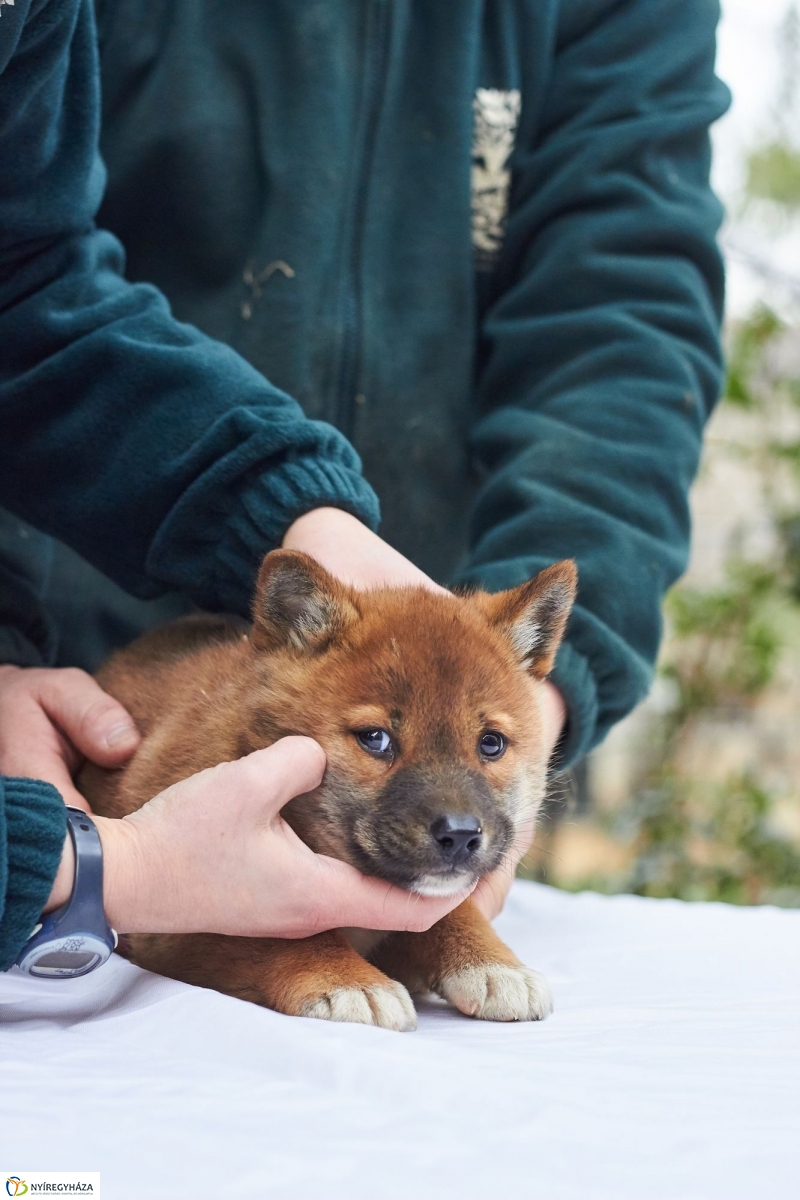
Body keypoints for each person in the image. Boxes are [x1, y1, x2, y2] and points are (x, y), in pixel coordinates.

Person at [0, 0, 730, 961]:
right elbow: (25, 275)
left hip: (422, 661)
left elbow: (621, 321)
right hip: (79, 693)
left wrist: (524, 701)